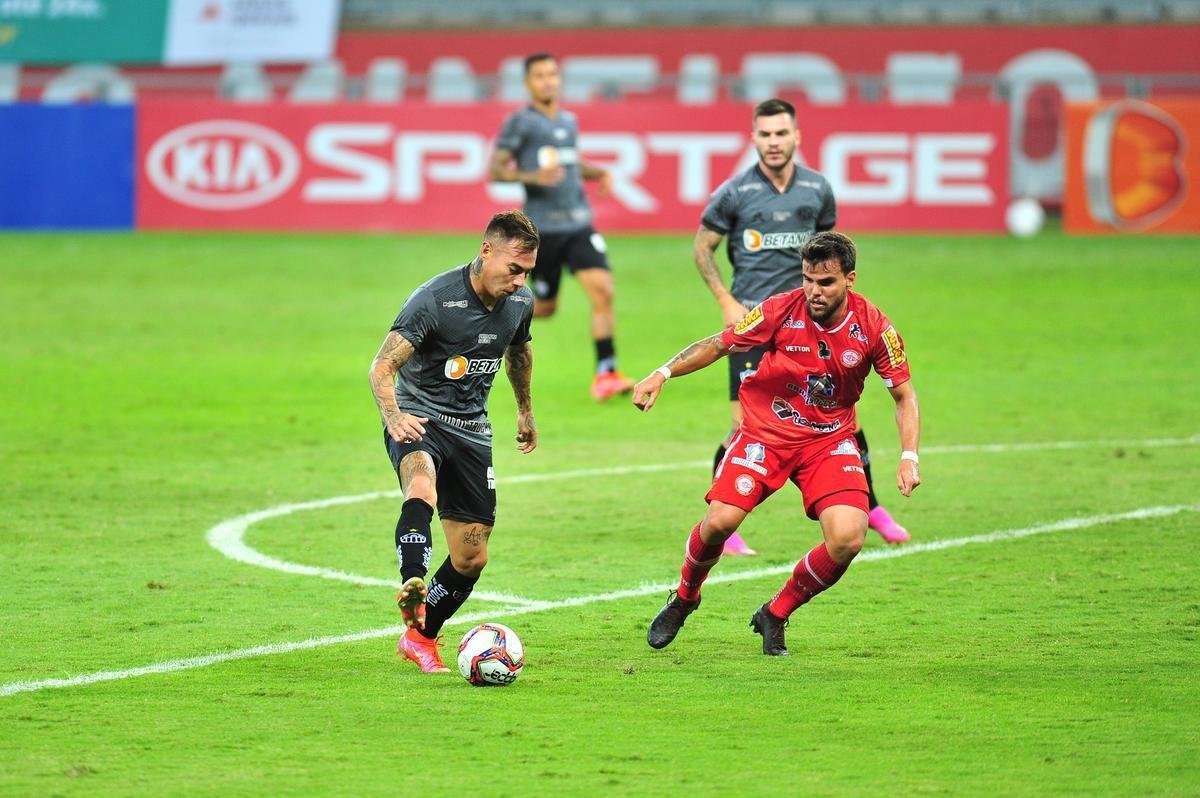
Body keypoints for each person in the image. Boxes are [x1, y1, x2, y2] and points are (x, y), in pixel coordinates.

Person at [633, 231, 921, 656]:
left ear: (850, 279)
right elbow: (718, 344)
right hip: (765, 435)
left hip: (828, 441)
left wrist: (908, 455)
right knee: (720, 523)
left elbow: (904, 396)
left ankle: (776, 612)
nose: (814, 291)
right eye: (808, 279)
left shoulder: (875, 327)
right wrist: (662, 373)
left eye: (826, 283)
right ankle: (685, 597)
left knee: (847, 538)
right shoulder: (780, 310)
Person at [694, 98, 911, 556]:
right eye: (765, 134)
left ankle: (870, 506)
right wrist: (725, 300)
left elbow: (830, 251)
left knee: (839, 418)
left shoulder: (817, 189)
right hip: (757, 322)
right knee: (742, 425)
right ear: (754, 138)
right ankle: (724, 521)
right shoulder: (734, 193)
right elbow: (702, 248)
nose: (774, 142)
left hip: (810, 327)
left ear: (797, 137)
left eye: (781, 134)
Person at [368, 210, 540, 673]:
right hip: (419, 421)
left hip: (472, 429)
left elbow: (519, 351)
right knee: (421, 484)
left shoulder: (520, 302)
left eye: (528, 271)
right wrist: (394, 416)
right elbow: (381, 367)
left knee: (471, 555)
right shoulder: (434, 300)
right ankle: (413, 582)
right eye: (513, 269)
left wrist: (524, 409)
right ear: (487, 251)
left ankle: (420, 636)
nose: (520, 280)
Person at [489, 52, 635, 402]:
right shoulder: (521, 123)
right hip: (542, 231)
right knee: (547, 308)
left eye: (552, 74)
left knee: (603, 291)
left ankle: (606, 373)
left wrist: (597, 172)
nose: (548, 81)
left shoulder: (569, 120)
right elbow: (496, 170)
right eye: (539, 76)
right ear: (528, 83)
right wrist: (531, 176)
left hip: (579, 224)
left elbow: (570, 163)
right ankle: (489, 320)